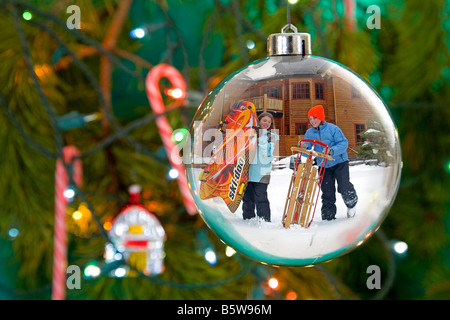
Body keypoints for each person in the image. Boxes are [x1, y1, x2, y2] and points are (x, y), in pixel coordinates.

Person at [302, 105, 358, 221]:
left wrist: (332, 150)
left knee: (344, 186)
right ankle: (328, 218)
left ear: (321, 118)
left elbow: (343, 143)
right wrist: (303, 148)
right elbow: (308, 152)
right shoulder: (309, 133)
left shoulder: (333, 129)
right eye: (310, 119)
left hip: (339, 162)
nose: (312, 121)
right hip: (323, 165)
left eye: (314, 118)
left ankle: (351, 203)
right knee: (327, 192)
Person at [242, 112, 279, 222]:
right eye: (264, 120)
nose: (266, 123)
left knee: (261, 198)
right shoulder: (250, 133)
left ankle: (264, 220)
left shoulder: (271, 136)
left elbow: (267, 155)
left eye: (269, 122)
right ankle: (248, 219)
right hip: (247, 171)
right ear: (259, 121)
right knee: (248, 198)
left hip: (262, 173)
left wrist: (261, 137)